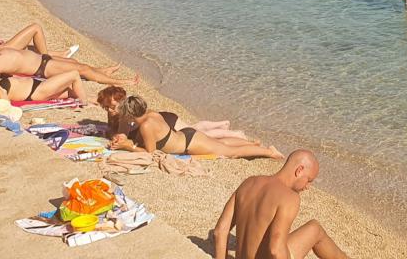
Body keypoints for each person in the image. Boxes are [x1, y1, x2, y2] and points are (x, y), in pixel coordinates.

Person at [212, 150, 350, 259]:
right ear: (299, 170)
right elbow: (275, 250)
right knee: (315, 230)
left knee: (313, 229)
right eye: (309, 180)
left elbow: (220, 231)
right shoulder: (290, 197)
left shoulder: (248, 183)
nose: (308, 186)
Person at [108, 94, 282, 160]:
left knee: (230, 152)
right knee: (223, 145)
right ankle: (252, 146)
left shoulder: (146, 125)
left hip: (189, 143)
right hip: (186, 136)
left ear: (130, 114)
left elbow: (150, 153)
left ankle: (268, 152)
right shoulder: (151, 113)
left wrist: (128, 146)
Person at [98, 86, 253, 143]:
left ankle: (235, 134)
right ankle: (221, 124)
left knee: (199, 134)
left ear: (122, 101)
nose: (110, 110)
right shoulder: (121, 112)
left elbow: (122, 135)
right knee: (194, 128)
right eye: (106, 108)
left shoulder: (126, 114)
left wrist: (113, 136)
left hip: (166, 122)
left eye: (112, 107)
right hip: (164, 118)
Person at [0, 46, 136, 86]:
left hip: (43, 58)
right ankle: (120, 81)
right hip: (42, 68)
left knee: (77, 64)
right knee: (81, 69)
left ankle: (102, 72)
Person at [0, 67, 86, 105]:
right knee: (74, 74)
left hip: (37, 86)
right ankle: (84, 104)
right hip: (37, 91)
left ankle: (87, 100)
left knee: (72, 92)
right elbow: (5, 103)